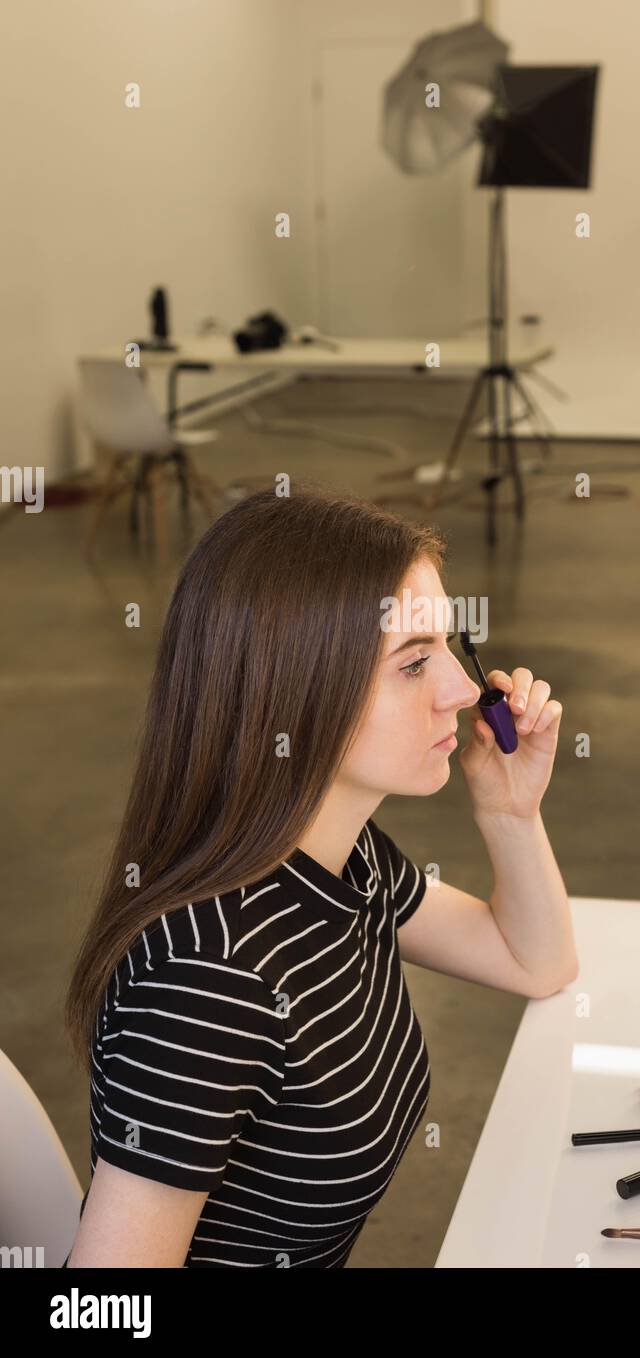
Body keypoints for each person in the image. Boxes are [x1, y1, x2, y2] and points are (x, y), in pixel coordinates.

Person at [62, 481, 577, 1267]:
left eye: (446, 645)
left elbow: (533, 963)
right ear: (293, 692)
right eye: (411, 664)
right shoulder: (207, 978)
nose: (465, 690)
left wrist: (511, 813)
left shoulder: (344, 859)